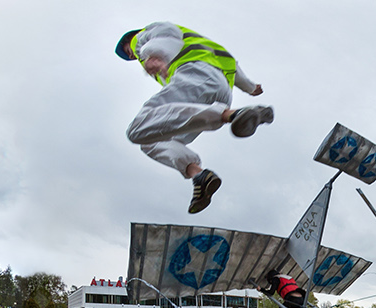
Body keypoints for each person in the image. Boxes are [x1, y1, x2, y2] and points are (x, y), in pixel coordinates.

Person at [116, 23, 273, 214]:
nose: (133, 56)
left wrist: (155, 54)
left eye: (129, 52)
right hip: (221, 91)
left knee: (137, 129)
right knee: (152, 139)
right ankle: (198, 175)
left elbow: (166, 33)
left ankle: (230, 115)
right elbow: (235, 68)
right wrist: (250, 87)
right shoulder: (211, 48)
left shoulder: (142, 38)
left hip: (194, 77)